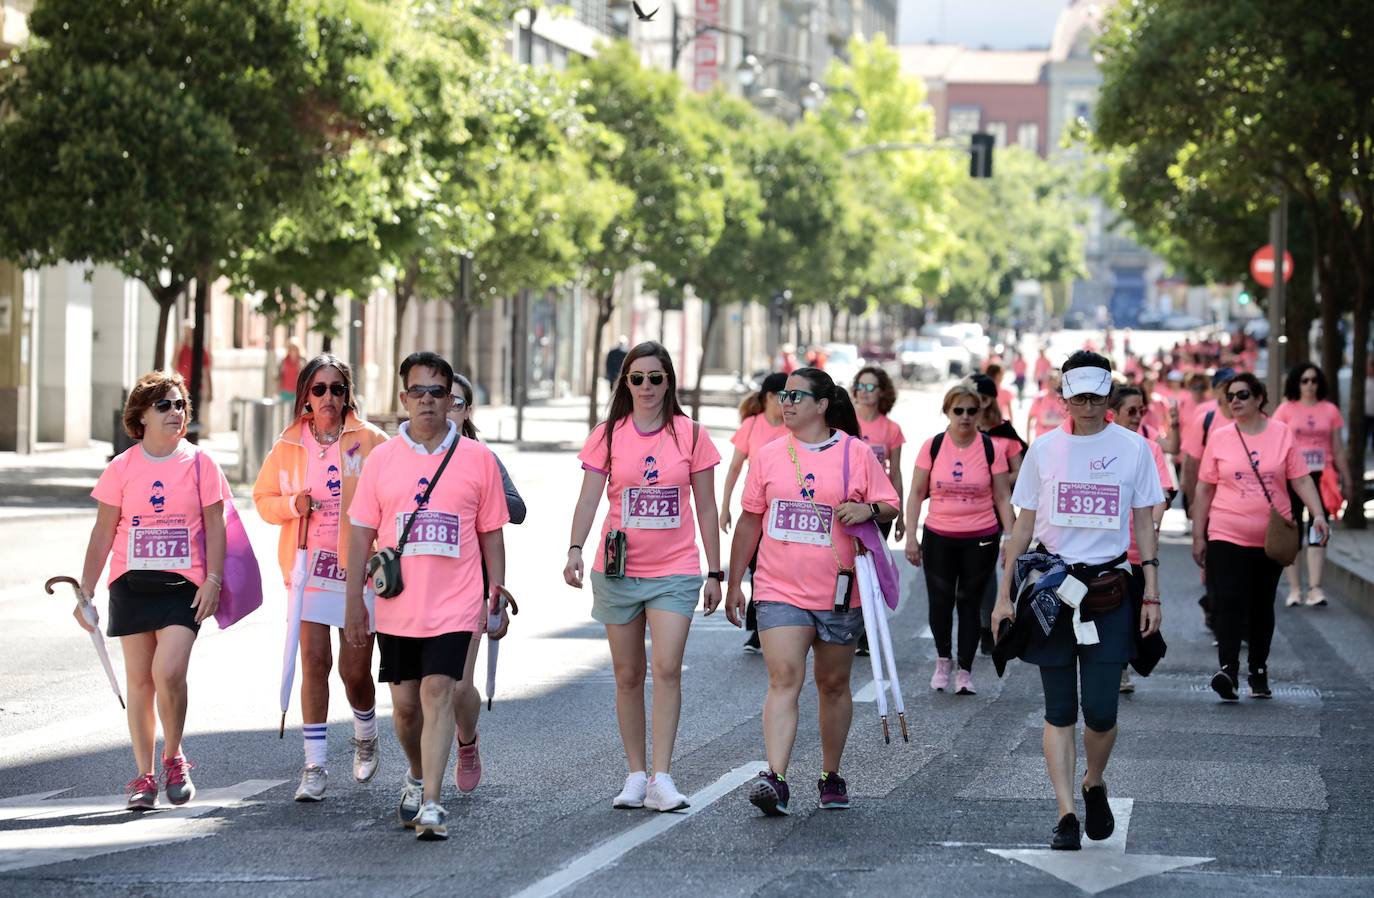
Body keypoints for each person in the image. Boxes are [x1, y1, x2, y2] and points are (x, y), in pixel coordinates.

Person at [991, 351, 1164, 851]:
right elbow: (1023, 525)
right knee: (1060, 708)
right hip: (1051, 591)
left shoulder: (1134, 449)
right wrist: (1004, 595)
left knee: (1102, 711)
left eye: (1095, 395)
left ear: (1109, 394)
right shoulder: (1043, 450)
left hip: (1110, 591)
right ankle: (1066, 812)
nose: (1087, 405)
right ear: (1063, 395)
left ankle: (1094, 781)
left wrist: (1151, 590)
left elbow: (1144, 524)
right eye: (1078, 395)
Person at [344, 351, 510, 841]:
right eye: (418, 392)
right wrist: (355, 599)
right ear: (403, 399)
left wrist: (495, 590)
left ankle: (433, 802)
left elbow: (491, 534)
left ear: (449, 399)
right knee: (406, 707)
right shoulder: (381, 461)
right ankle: (416, 774)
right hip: (397, 605)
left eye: (437, 392)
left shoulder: (478, 459)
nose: (428, 401)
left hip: (456, 601)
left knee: (439, 691)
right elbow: (360, 534)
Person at [724, 367, 900, 816]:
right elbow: (749, 521)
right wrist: (731, 581)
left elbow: (889, 503)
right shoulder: (767, 455)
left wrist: (865, 508)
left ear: (822, 405)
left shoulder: (855, 453)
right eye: (784, 396)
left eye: (797, 397)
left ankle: (830, 773)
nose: (786, 403)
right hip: (778, 587)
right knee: (784, 679)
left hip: (840, 591)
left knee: (834, 685)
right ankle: (776, 777)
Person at [563, 341, 721, 813]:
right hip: (618, 569)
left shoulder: (691, 435)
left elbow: (708, 507)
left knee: (668, 668)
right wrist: (574, 548)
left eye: (656, 378)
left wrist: (716, 571)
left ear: (669, 381)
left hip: (675, 571)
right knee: (628, 674)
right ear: (625, 383)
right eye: (638, 378)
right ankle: (635, 774)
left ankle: (663, 777)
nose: (647, 386)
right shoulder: (608, 434)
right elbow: (590, 499)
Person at [77, 371, 231, 810]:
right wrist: (85, 592)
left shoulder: (201, 464)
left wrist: (214, 580)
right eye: (164, 405)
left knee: (169, 672)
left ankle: (173, 757)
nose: (175, 412)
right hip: (132, 585)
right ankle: (144, 776)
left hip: (184, 588)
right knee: (140, 683)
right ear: (140, 416)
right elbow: (103, 531)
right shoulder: (121, 467)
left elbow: (216, 526)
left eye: (180, 403)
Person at [253, 355, 389, 801]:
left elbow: (395, 499)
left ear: (347, 394)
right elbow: (263, 499)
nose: (328, 397)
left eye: (336, 388)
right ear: (305, 397)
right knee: (313, 662)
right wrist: (295, 504)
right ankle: (314, 765)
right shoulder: (288, 445)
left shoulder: (371, 441)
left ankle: (365, 733)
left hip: (357, 571)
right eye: (318, 389)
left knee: (354, 671)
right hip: (308, 566)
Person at [1192, 372, 1329, 701]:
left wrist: (1319, 514)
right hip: (1226, 531)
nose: (1234, 402)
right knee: (1227, 601)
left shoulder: (1281, 434)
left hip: (1270, 537)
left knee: (1261, 605)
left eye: (1241, 395)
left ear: (1258, 399)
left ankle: (1258, 669)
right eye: (1230, 397)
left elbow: (1301, 480)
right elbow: (1205, 487)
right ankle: (1228, 670)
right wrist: (1198, 534)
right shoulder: (1222, 437)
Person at [905, 380, 1015, 696]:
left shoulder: (990, 447)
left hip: (980, 537)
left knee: (969, 603)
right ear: (947, 412)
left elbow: (1002, 497)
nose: (965, 417)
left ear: (980, 412)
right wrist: (911, 536)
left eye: (971, 411)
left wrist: (1010, 537)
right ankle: (943, 661)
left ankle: (964, 671)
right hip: (939, 535)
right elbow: (915, 493)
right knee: (940, 602)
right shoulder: (934, 445)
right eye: (959, 411)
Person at [445, 373, 524, 794]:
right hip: (420, 587)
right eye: (440, 399)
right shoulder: (407, 455)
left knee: (457, 686)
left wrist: (480, 497)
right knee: (421, 689)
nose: (446, 408)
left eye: (456, 402)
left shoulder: (481, 458)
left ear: (467, 410)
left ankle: (467, 741)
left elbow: (518, 508)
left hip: (470, 584)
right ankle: (420, 778)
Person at [1109, 386, 1176, 694]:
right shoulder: (1103, 445)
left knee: (1128, 611)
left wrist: (1156, 520)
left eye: (1141, 411)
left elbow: (1161, 492)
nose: (1137, 417)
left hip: (1138, 546)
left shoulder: (1151, 449)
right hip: (1106, 547)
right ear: (1115, 412)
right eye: (1131, 411)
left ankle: (1120, 667)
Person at [720, 373, 789, 653]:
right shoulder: (751, 426)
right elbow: (735, 467)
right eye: (785, 396)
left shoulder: (792, 426)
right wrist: (724, 507)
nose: (789, 402)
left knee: (779, 569)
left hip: (784, 512)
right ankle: (758, 632)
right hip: (755, 510)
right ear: (771, 396)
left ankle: (780, 627)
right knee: (756, 569)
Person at [1273, 363, 1351, 608]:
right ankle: (1295, 589)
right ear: (1296, 383)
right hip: (1292, 478)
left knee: (1319, 529)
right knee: (1293, 532)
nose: (1309, 385)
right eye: (1304, 380)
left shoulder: (1330, 410)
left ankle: (1315, 588)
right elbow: (1274, 444)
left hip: (1321, 477)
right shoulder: (1285, 410)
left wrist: (1346, 478)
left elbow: (1337, 448)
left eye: (1314, 380)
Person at [850, 366, 906, 541]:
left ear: (881, 392)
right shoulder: (845, 421)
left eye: (869, 387)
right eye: (860, 386)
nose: (863, 391)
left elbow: (895, 474)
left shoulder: (892, 429)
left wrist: (901, 516)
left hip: (878, 507)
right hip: (849, 505)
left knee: (875, 564)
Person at [174, 322, 213, 406]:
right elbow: (174, 366)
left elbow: (207, 372)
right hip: (182, 388)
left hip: (197, 389)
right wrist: (177, 351)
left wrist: (210, 391)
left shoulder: (201, 351)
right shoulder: (181, 349)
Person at [1026, 370, 1067, 440]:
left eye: (1054, 381)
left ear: (1058, 383)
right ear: (1046, 383)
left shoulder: (1064, 399)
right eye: (1050, 380)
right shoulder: (1039, 398)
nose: (1052, 383)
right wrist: (1028, 440)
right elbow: (1030, 419)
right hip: (1042, 439)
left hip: (1060, 441)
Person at [278, 341, 303, 405]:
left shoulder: (301, 361)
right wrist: (278, 388)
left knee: (295, 412)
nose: (293, 351)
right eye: (292, 349)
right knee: (283, 411)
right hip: (285, 390)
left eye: (295, 349)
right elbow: (280, 375)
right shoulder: (284, 361)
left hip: (297, 391)